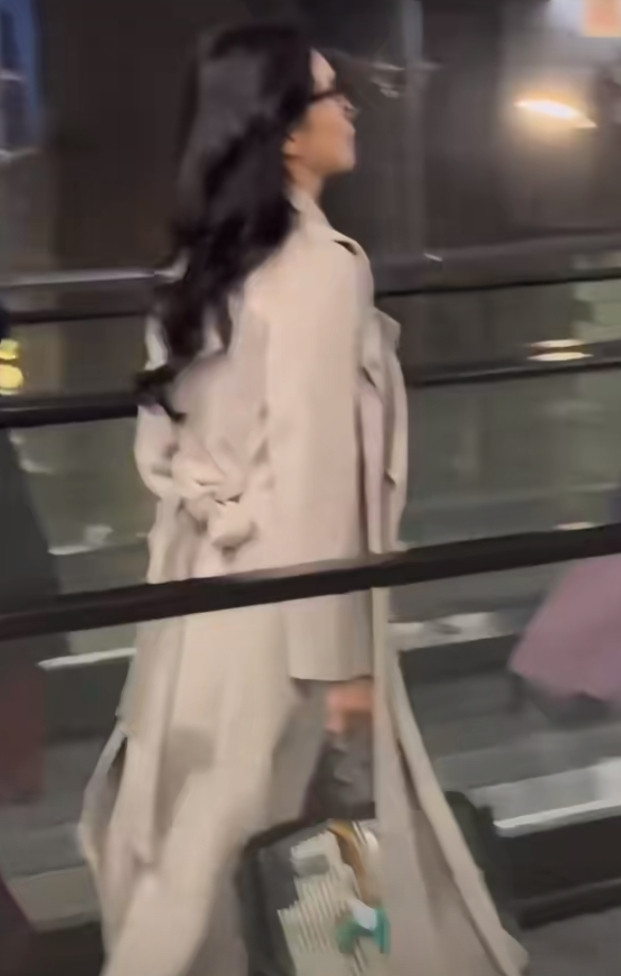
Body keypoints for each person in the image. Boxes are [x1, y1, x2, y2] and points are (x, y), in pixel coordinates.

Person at [80, 23, 525, 976]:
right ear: (285, 130)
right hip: (287, 614)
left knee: (211, 839)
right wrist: (342, 663)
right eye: (330, 94)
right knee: (248, 852)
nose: (350, 108)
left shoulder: (201, 265)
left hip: (200, 598)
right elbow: (320, 470)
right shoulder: (321, 267)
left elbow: (165, 446)